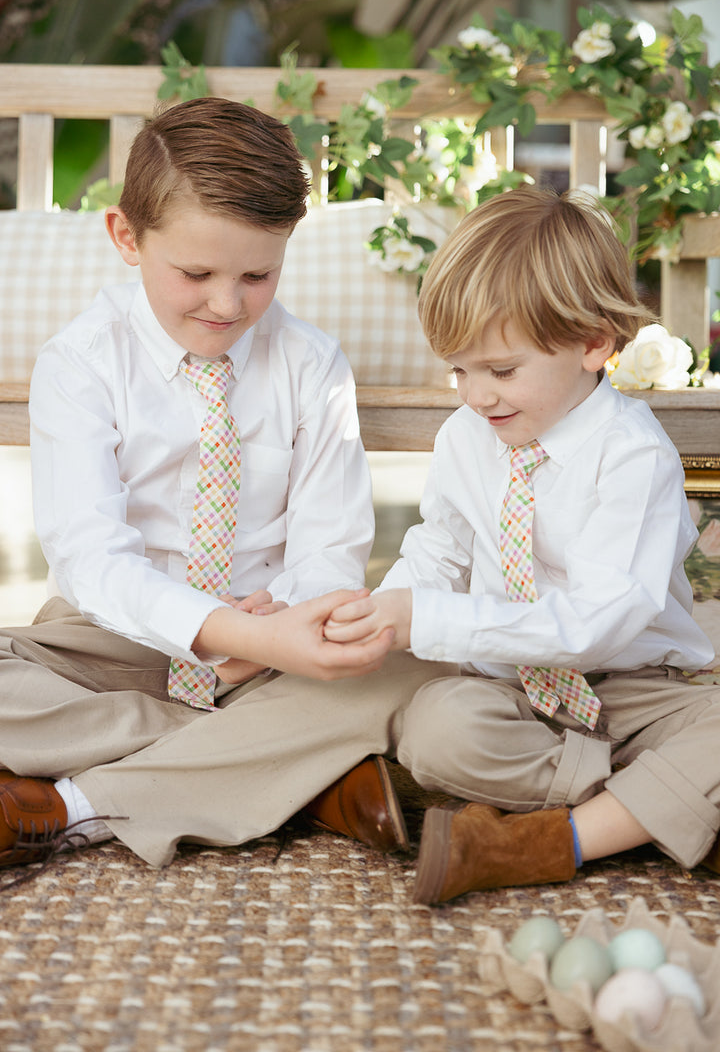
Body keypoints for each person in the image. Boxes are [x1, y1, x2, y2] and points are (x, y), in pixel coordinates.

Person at [0, 96, 445, 879]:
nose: (227, 303)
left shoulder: (311, 366)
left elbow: (330, 548)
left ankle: (64, 805)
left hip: (276, 646)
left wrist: (277, 633)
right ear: (126, 238)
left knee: (410, 670)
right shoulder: (80, 363)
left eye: (258, 274)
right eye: (197, 273)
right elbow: (91, 562)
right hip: (118, 641)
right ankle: (284, 773)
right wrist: (221, 634)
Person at [325, 187, 720, 904]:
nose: (477, 395)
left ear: (595, 344)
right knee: (436, 729)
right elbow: (439, 549)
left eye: (501, 371)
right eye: (459, 370)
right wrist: (387, 610)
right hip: (515, 696)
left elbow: (598, 623)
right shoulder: (467, 437)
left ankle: (547, 840)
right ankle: (649, 809)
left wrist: (435, 619)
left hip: (631, 693)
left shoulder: (633, 458)